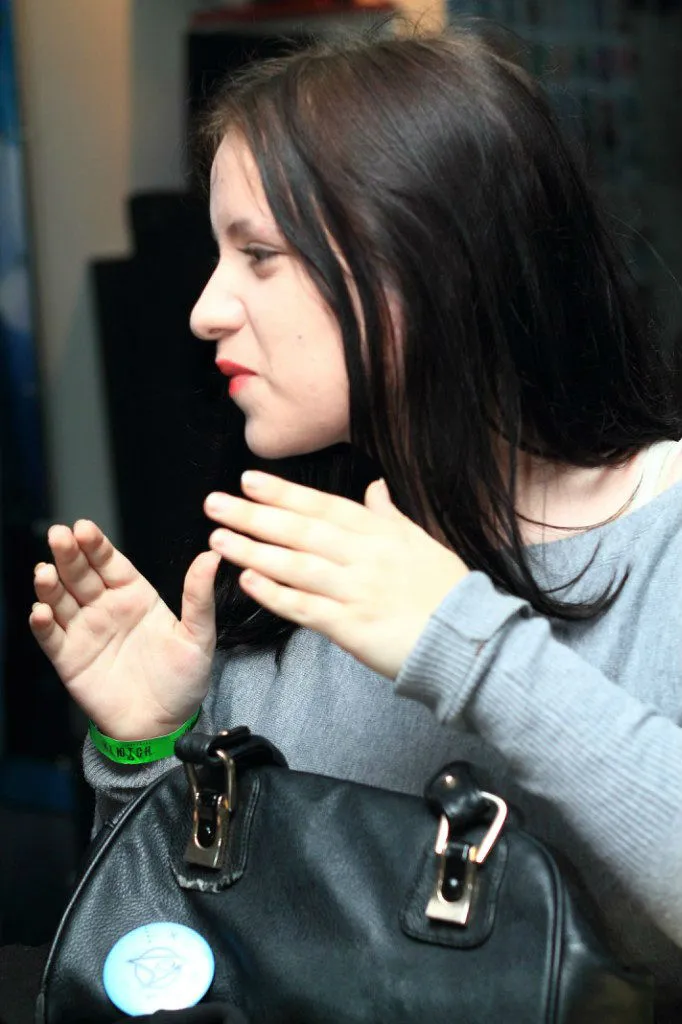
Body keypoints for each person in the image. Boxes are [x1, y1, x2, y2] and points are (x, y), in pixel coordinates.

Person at [28, 25, 682, 1015]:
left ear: (423, 260)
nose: (206, 309)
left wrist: (467, 648)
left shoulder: (663, 532)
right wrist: (149, 749)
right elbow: (197, 957)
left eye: (259, 254)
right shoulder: (293, 543)